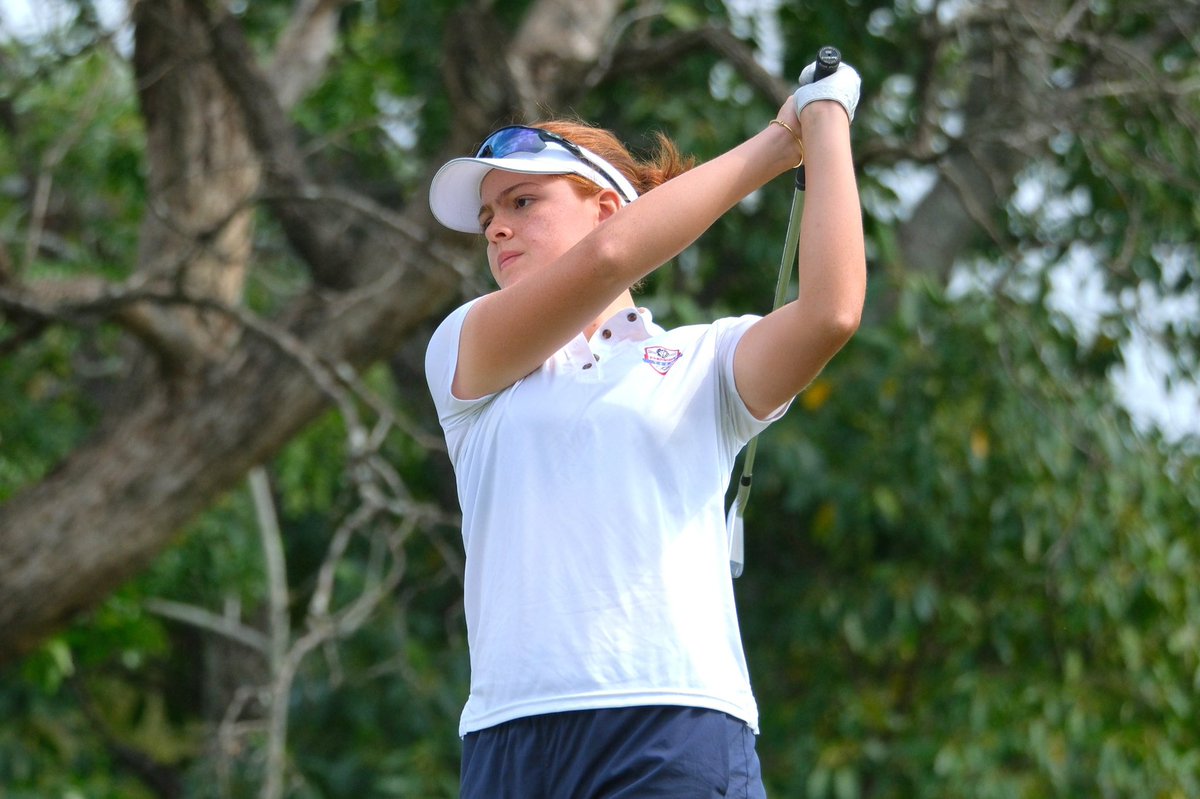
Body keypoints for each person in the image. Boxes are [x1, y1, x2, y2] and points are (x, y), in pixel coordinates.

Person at [424, 58, 864, 798]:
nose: (496, 227)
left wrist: (824, 124)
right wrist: (776, 142)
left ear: (606, 205)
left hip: (674, 723)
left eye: (523, 201)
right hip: (509, 736)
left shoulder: (705, 360)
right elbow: (610, 258)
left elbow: (831, 312)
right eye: (487, 217)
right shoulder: (464, 352)